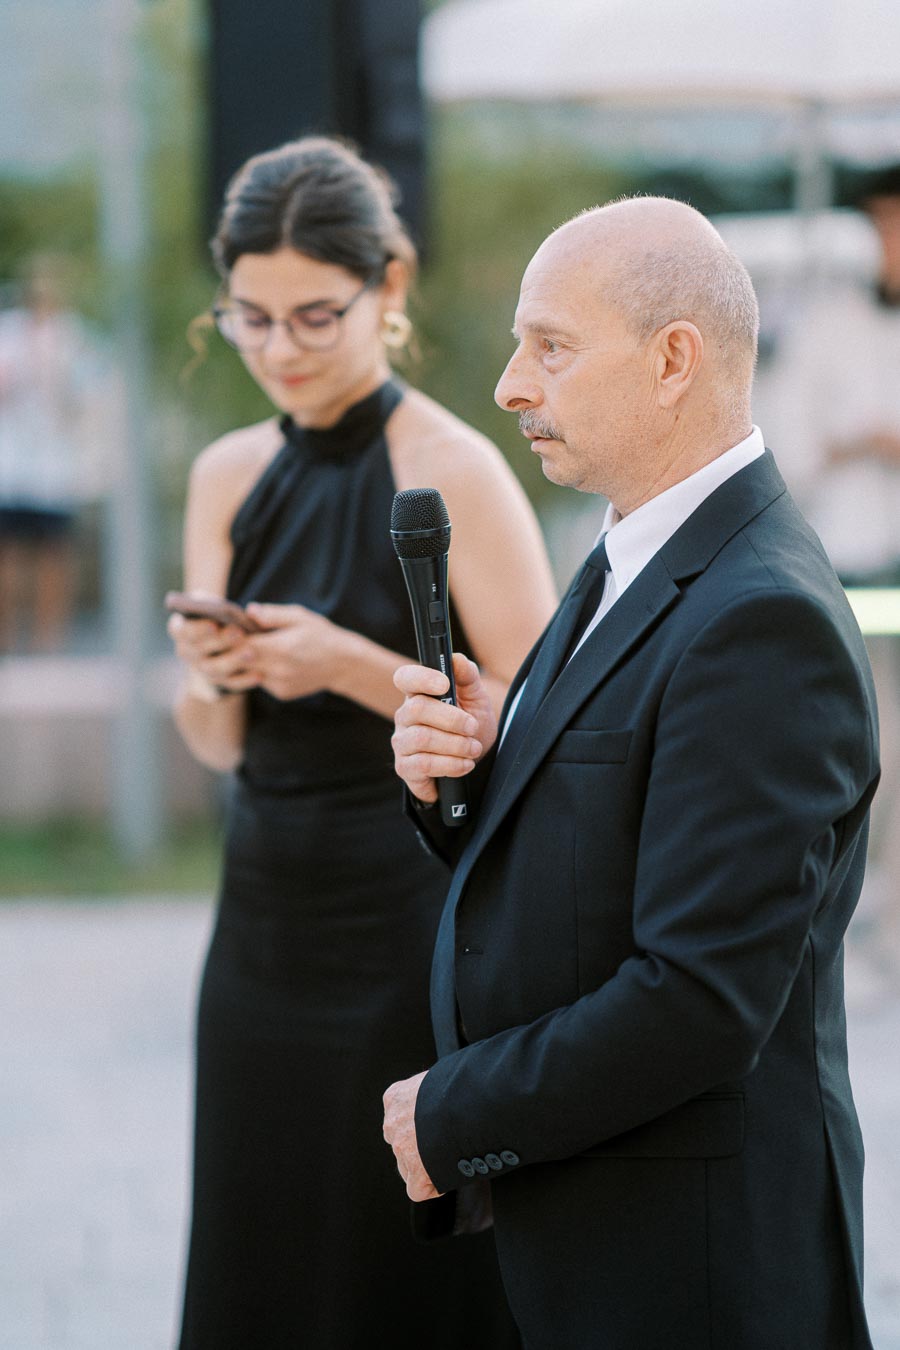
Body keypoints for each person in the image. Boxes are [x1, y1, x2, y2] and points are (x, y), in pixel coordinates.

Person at [385, 197, 879, 1350]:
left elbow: (702, 998)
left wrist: (451, 1118)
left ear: (672, 362)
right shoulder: (635, 546)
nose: (512, 385)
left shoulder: (761, 618)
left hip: (690, 1264)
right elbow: (596, 857)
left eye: (550, 347)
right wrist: (461, 784)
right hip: (601, 1227)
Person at [168, 136, 556, 1349]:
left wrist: (342, 663)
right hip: (262, 919)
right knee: (260, 1232)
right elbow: (222, 748)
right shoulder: (227, 474)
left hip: (408, 919)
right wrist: (211, 677)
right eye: (251, 317)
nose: (279, 349)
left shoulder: (455, 469)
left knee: (390, 1253)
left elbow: (552, 729)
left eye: (314, 316)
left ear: (388, 290)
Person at [760, 163, 900, 961]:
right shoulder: (829, 325)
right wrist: (858, 441)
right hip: (856, 568)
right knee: (864, 754)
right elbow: (788, 444)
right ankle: (858, 930)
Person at [0, 254, 95, 651]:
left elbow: (88, 395)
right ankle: (7, 637)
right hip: (12, 460)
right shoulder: (9, 332)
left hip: (55, 464)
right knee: (9, 552)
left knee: (54, 554)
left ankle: (48, 642)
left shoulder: (73, 335)